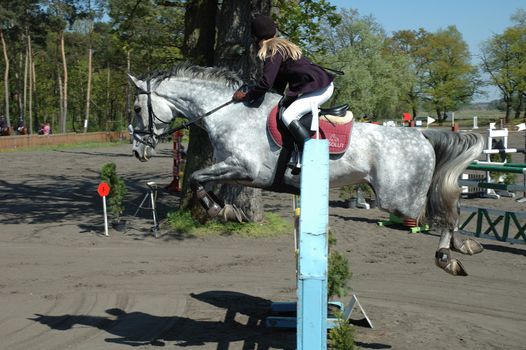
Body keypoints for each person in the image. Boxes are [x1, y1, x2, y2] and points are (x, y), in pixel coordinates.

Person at [232, 15, 334, 163]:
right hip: (317, 85)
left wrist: (246, 96)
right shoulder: (280, 46)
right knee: (285, 111)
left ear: (256, 38)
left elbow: (266, 83)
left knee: (289, 116)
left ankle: (311, 157)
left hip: (319, 88)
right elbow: (277, 85)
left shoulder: (273, 50)